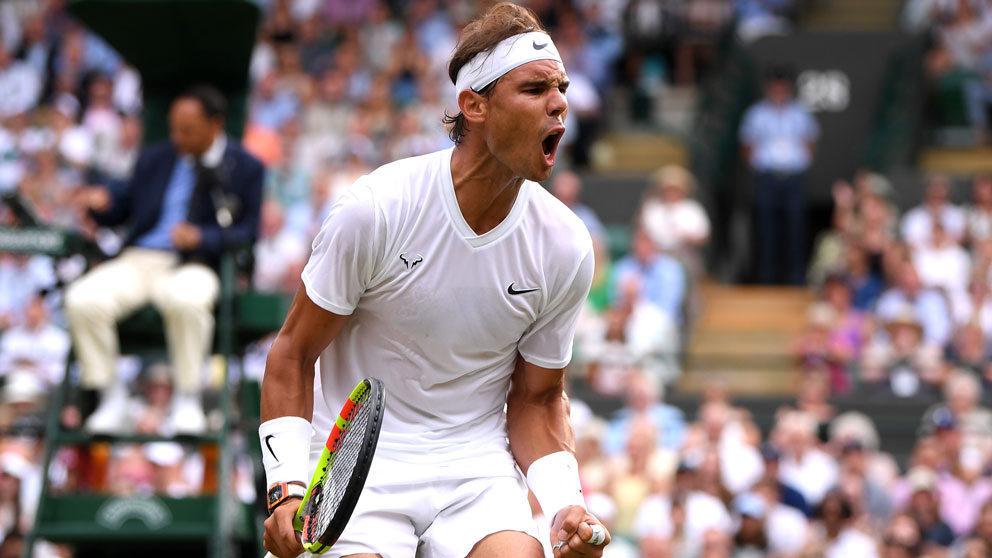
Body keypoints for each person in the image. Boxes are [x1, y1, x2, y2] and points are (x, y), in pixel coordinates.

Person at [260, 4, 610, 558]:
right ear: (474, 105)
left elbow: (539, 398)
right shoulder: (376, 209)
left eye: (561, 87)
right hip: (355, 471)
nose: (560, 102)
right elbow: (292, 355)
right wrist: (285, 489)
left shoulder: (565, 244)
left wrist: (565, 501)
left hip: (475, 469)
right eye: (535, 87)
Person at [65, 84, 264, 435]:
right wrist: (103, 202)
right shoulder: (156, 157)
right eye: (174, 127)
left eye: (187, 130)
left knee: (188, 300)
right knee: (82, 299)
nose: (177, 137)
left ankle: (187, 399)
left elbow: (249, 231)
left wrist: (204, 237)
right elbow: (124, 202)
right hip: (140, 260)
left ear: (215, 125)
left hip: (197, 263)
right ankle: (111, 397)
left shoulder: (245, 167)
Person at [739, 65, 819, 285]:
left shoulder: (801, 113)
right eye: (774, 87)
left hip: (793, 178)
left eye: (782, 87)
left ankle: (796, 279)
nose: (778, 91)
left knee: (795, 230)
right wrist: (757, 164)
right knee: (766, 230)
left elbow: (810, 143)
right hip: (767, 177)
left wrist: (800, 162)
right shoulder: (756, 114)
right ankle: (767, 280)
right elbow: (747, 145)